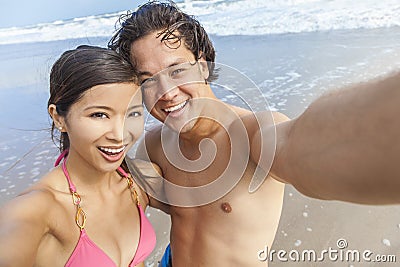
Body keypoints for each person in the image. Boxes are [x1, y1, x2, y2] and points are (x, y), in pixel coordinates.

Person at [109, 2, 289, 266]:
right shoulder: (155, 145)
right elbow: (115, 197)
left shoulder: (257, 133)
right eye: (148, 80)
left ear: (202, 65)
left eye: (177, 71)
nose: (167, 93)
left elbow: (304, 149)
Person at [0, 45, 156, 266]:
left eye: (133, 113)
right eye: (99, 114)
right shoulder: (35, 210)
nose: (119, 134)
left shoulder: (137, 185)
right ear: (58, 118)